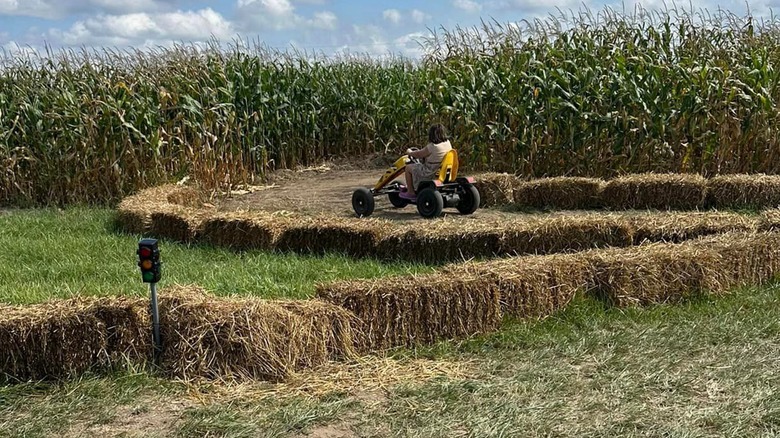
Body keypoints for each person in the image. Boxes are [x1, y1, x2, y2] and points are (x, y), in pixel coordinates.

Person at [400, 124, 453, 200]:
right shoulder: (448, 143)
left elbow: (419, 154)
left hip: (430, 172)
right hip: (442, 171)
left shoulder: (432, 146)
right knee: (417, 165)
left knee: (408, 168)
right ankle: (413, 186)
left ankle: (410, 192)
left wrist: (409, 152)